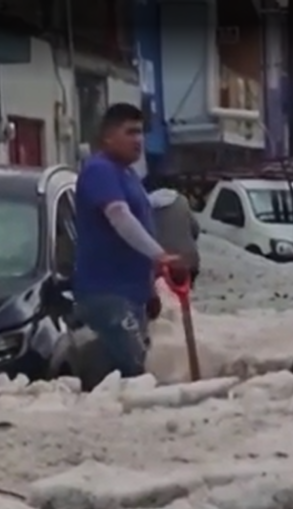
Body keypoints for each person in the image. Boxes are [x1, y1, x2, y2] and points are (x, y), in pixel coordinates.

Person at [73, 103, 179, 378]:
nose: (139, 140)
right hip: (106, 293)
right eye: (130, 132)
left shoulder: (129, 175)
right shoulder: (99, 170)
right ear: (108, 136)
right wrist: (160, 255)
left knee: (124, 375)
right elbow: (120, 218)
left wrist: (151, 288)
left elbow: (141, 226)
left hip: (132, 294)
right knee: (140, 369)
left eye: (141, 132)